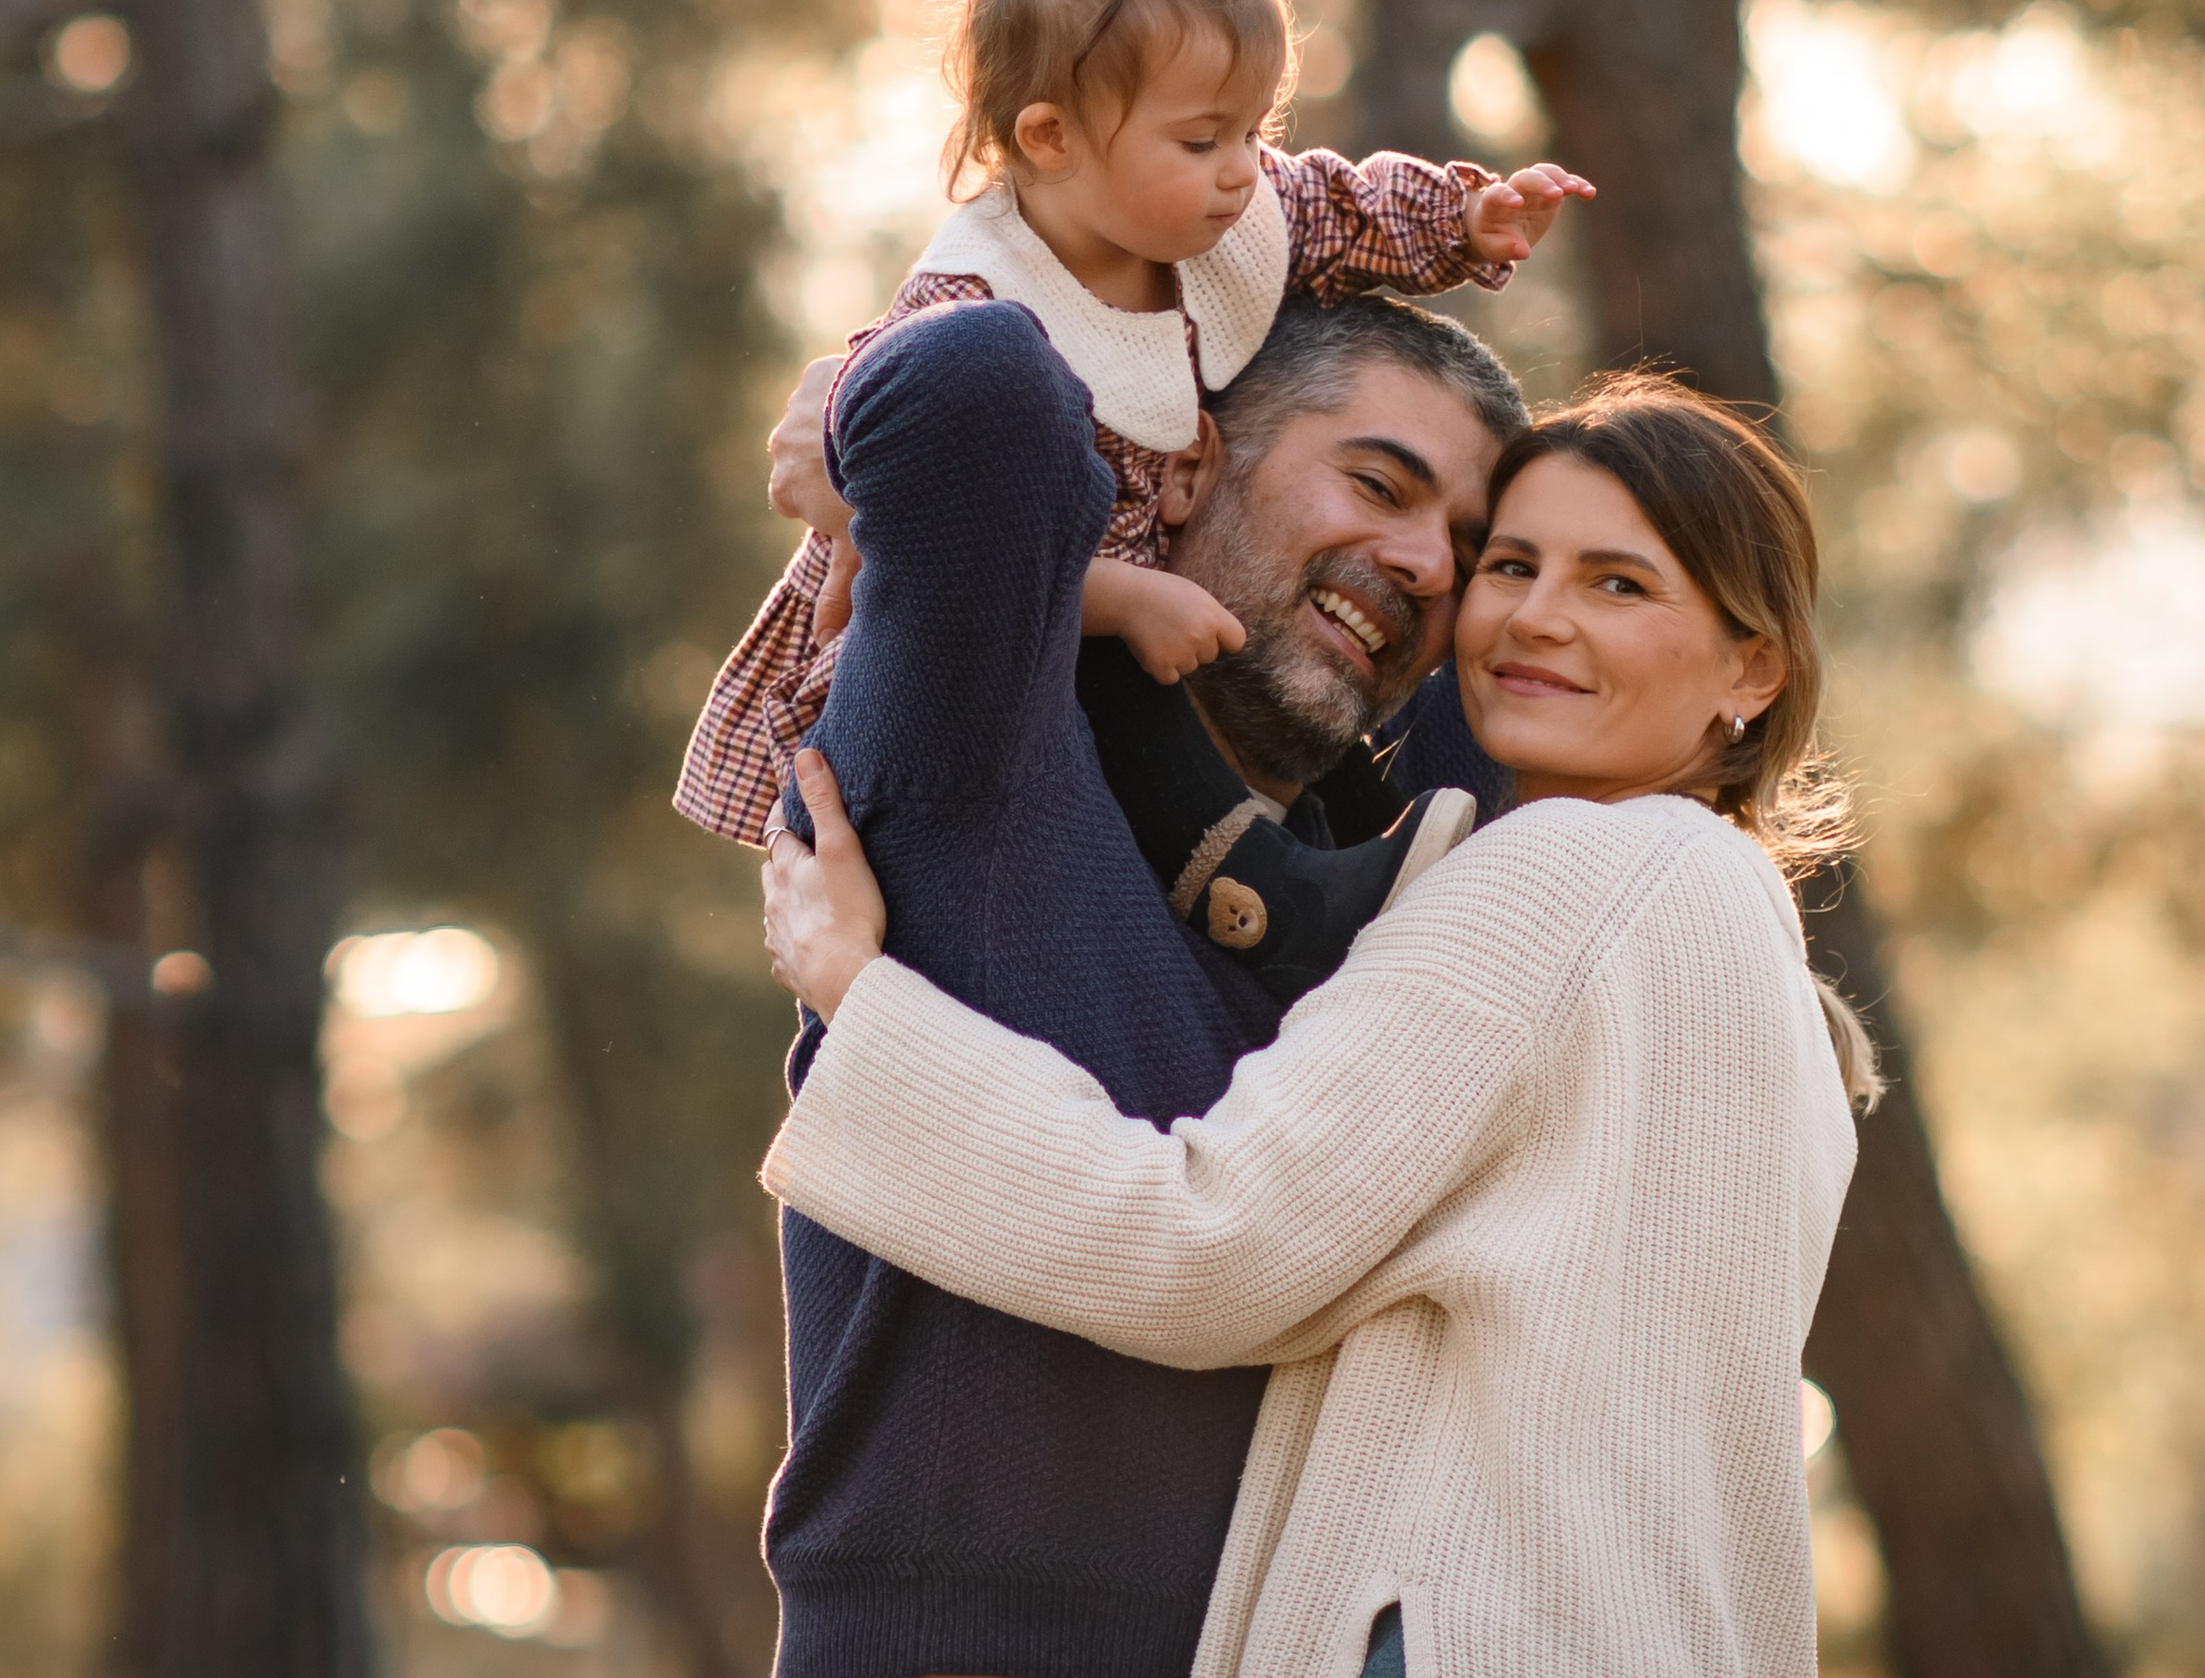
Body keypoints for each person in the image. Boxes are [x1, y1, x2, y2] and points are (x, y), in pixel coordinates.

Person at [764, 382, 1876, 1678]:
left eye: (1618, 585)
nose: (1535, 617)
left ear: (1753, 666)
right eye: (1508, 564)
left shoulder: (1571, 875)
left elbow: (1206, 1239)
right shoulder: (1753, 955)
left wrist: (864, 997)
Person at [747, 281, 1530, 1678]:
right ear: (1185, 467)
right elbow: (979, 385)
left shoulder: (1415, 909)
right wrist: (863, 398)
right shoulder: (987, 726)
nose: (1424, 563)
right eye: (1378, 483)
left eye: (1468, 546)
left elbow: (1589, 647)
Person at [677, 0, 1589, 850]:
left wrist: (1465, 220)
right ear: (1051, 135)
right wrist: (1115, 597)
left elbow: (1342, 208)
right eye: (1203, 137)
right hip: (987, 649)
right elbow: (955, 540)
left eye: (1255, 128)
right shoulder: (979, 305)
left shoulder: (1231, 218)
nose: (1243, 166)